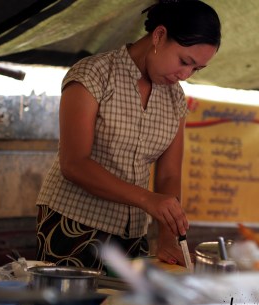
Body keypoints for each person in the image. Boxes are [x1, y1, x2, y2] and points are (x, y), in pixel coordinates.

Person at [35, 0, 221, 271]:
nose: (185, 75)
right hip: (72, 225)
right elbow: (74, 163)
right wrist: (148, 200)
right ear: (159, 35)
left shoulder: (175, 98)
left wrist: (169, 239)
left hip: (133, 234)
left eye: (196, 69)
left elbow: (169, 175)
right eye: (184, 61)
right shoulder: (94, 74)